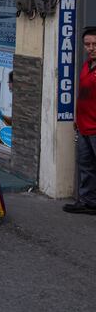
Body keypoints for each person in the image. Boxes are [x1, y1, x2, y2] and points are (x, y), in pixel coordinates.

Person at [64, 28, 96, 214]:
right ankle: (88, 202)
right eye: (87, 44)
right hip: (84, 125)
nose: (91, 48)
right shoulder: (87, 65)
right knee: (86, 166)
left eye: (94, 44)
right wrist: (78, 118)